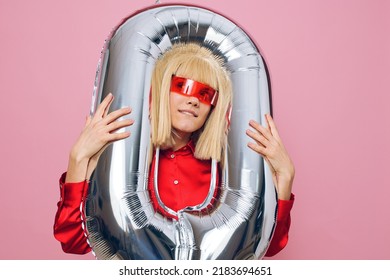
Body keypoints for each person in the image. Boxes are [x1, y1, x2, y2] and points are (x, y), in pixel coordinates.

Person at [54, 43, 295, 258]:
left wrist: (284, 179)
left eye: (205, 93)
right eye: (183, 86)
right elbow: (74, 241)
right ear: (160, 90)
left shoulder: (222, 173)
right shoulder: (120, 161)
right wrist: (78, 159)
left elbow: (263, 248)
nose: (194, 100)